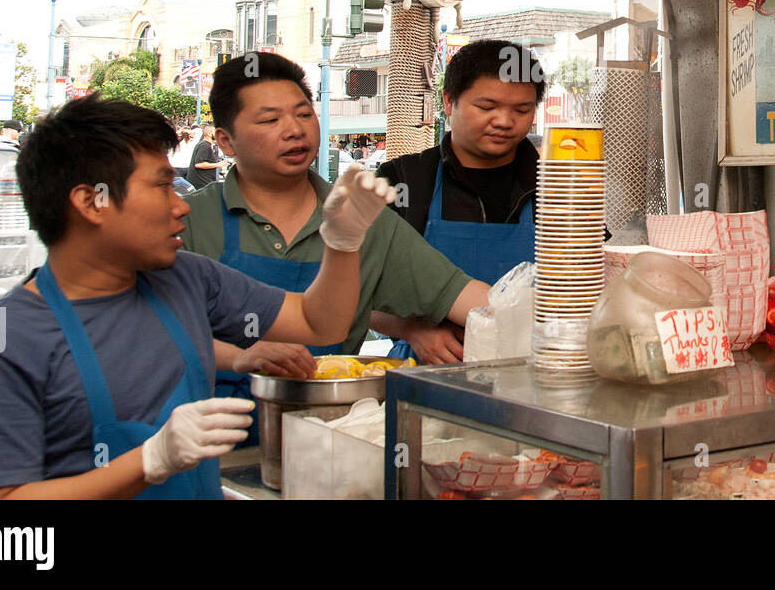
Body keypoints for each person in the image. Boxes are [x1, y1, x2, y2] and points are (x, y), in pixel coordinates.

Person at [0, 94, 392, 499]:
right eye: (161, 185)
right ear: (90, 201)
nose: (180, 206)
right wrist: (149, 461)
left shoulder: (187, 279)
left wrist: (343, 242)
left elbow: (320, 324)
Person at [177, 52, 489, 399]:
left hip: (330, 430)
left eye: (304, 114)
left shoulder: (359, 218)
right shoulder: (185, 221)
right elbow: (155, 336)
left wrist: (549, 319)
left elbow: (468, 298)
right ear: (225, 141)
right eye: (269, 120)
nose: (295, 130)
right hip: (207, 437)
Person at [376, 39, 542, 363]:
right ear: (449, 101)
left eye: (521, 110)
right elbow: (355, 294)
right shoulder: (404, 180)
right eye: (487, 107)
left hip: (532, 371)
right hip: (427, 373)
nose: (505, 121)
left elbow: (587, 286)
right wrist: (411, 328)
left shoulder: (557, 186)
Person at [186, 123, 222, 189]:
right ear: (209, 133)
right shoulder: (204, 146)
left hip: (206, 181)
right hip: (201, 183)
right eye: (215, 132)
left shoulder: (207, 145)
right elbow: (199, 164)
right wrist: (218, 164)